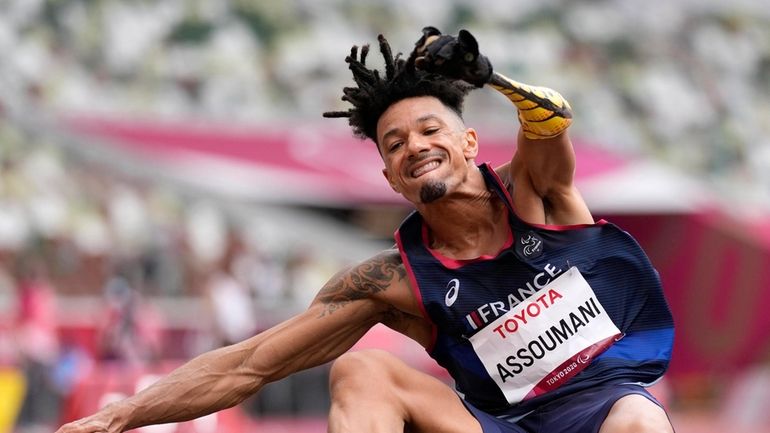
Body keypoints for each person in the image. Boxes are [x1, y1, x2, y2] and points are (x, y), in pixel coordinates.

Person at [55, 27, 674, 433]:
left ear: (468, 141)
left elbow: (552, 120)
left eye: (431, 130)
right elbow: (248, 366)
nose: (416, 146)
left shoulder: (534, 191)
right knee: (361, 371)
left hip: (606, 408)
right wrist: (117, 419)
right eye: (396, 143)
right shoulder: (391, 280)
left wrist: (492, 80)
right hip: (502, 427)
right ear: (390, 178)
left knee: (637, 424)